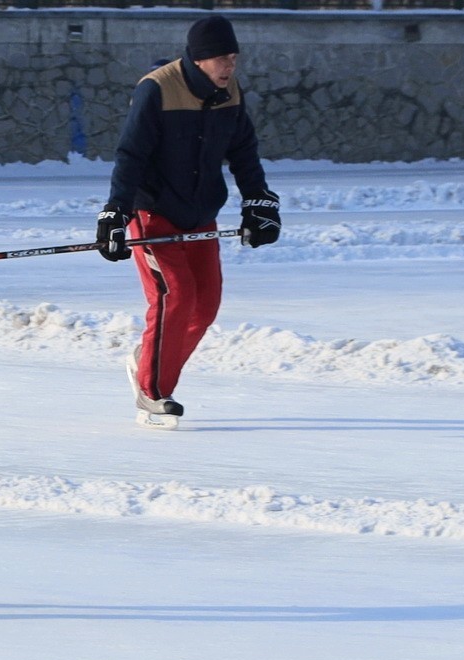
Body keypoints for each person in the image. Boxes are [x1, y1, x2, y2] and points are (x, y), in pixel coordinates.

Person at [97, 14, 280, 429]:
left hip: (200, 216)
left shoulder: (229, 93)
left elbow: (245, 152)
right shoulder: (156, 89)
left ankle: (148, 363)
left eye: (233, 57)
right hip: (153, 214)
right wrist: (115, 213)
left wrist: (258, 202)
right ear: (199, 59)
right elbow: (131, 156)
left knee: (205, 305)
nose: (229, 66)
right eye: (221, 59)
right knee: (174, 295)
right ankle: (152, 392)